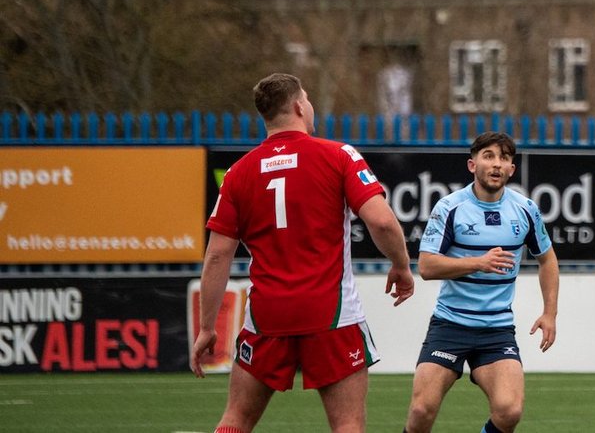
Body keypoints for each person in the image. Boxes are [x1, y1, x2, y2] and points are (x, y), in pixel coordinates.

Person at [190, 72, 415, 433]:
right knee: (347, 424)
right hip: (331, 315)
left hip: (267, 317)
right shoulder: (338, 155)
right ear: (298, 106)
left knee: (236, 420)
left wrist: (206, 327)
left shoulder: (237, 173)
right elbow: (383, 223)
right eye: (307, 99)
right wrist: (401, 266)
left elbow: (218, 256)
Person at [402, 132, 559, 433]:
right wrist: (478, 263)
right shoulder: (449, 208)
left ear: (512, 169)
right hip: (450, 325)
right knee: (422, 410)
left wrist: (549, 312)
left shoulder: (525, 209)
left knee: (509, 411)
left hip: (496, 331)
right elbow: (426, 265)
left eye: (504, 158)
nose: (496, 164)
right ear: (472, 165)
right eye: (489, 156)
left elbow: (548, 260)